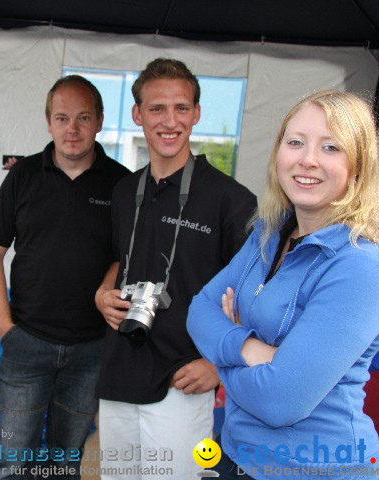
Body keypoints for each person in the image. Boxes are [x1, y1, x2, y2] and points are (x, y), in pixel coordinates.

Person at [187, 90, 379, 479]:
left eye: (330, 147)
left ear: (358, 166)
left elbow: (279, 400)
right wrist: (251, 348)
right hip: (238, 455)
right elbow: (198, 312)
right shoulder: (267, 234)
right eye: (296, 142)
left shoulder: (364, 266)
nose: (308, 159)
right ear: (278, 155)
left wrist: (222, 356)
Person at [94, 58, 257, 479]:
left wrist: (219, 367)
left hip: (183, 378)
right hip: (119, 370)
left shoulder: (231, 199)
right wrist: (102, 290)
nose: (170, 121)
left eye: (181, 108)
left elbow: (255, 295)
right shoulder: (124, 189)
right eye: (157, 109)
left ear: (197, 113)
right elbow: (120, 258)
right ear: (137, 115)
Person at [0, 75, 130, 479]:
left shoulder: (122, 184)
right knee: (13, 462)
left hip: (91, 351)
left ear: (99, 121)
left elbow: (127, 257)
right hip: (27, 343)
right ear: (48, 122)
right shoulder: (23, 175)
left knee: (64, 464)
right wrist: (6, 327)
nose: (72, 129)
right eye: (62, 118)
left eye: (83, 117)